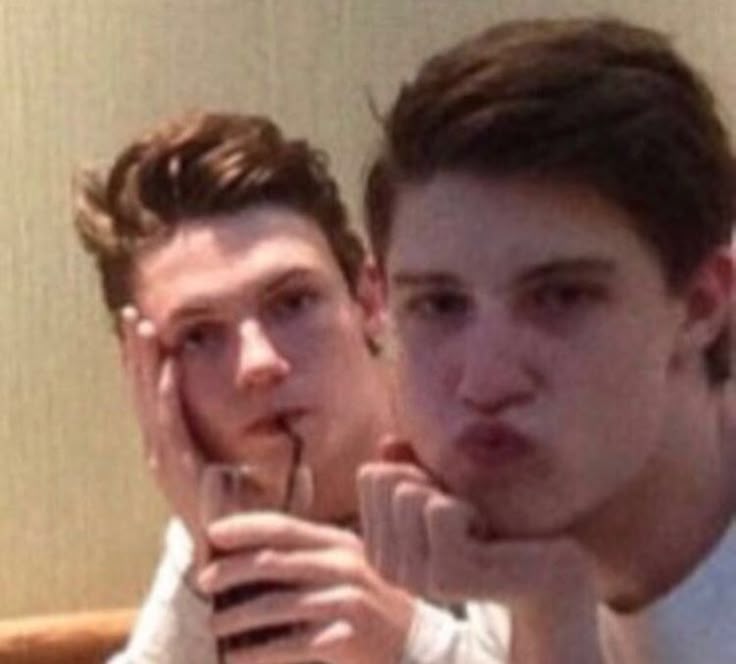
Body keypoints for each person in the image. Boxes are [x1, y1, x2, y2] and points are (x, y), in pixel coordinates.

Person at [359, 17, 736, 664]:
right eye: (439, 304)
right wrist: (543, 616)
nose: (485, 383)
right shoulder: (526, 551)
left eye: (560, 297)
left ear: (702, 304)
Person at [73, 112, 502, 663]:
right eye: (200, 335)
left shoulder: (501, 466)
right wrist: (209, 559)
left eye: (293, 302)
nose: (259, 362)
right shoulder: (224, 515)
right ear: (147, 371)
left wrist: (413, 645)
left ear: (371, 300)